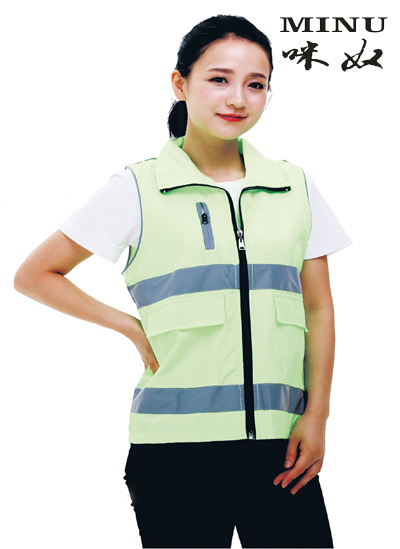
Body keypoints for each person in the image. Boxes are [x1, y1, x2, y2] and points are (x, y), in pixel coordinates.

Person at [14, 14, 351, 549]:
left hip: (280, 446)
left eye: (256, 84)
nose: (237, 98)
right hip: (174, 452)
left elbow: (318, 308)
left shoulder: (294, 186)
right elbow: (35, 275)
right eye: (218, 79)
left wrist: (318, 415)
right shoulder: (138, 187)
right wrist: (130, 326)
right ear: (180, 83)